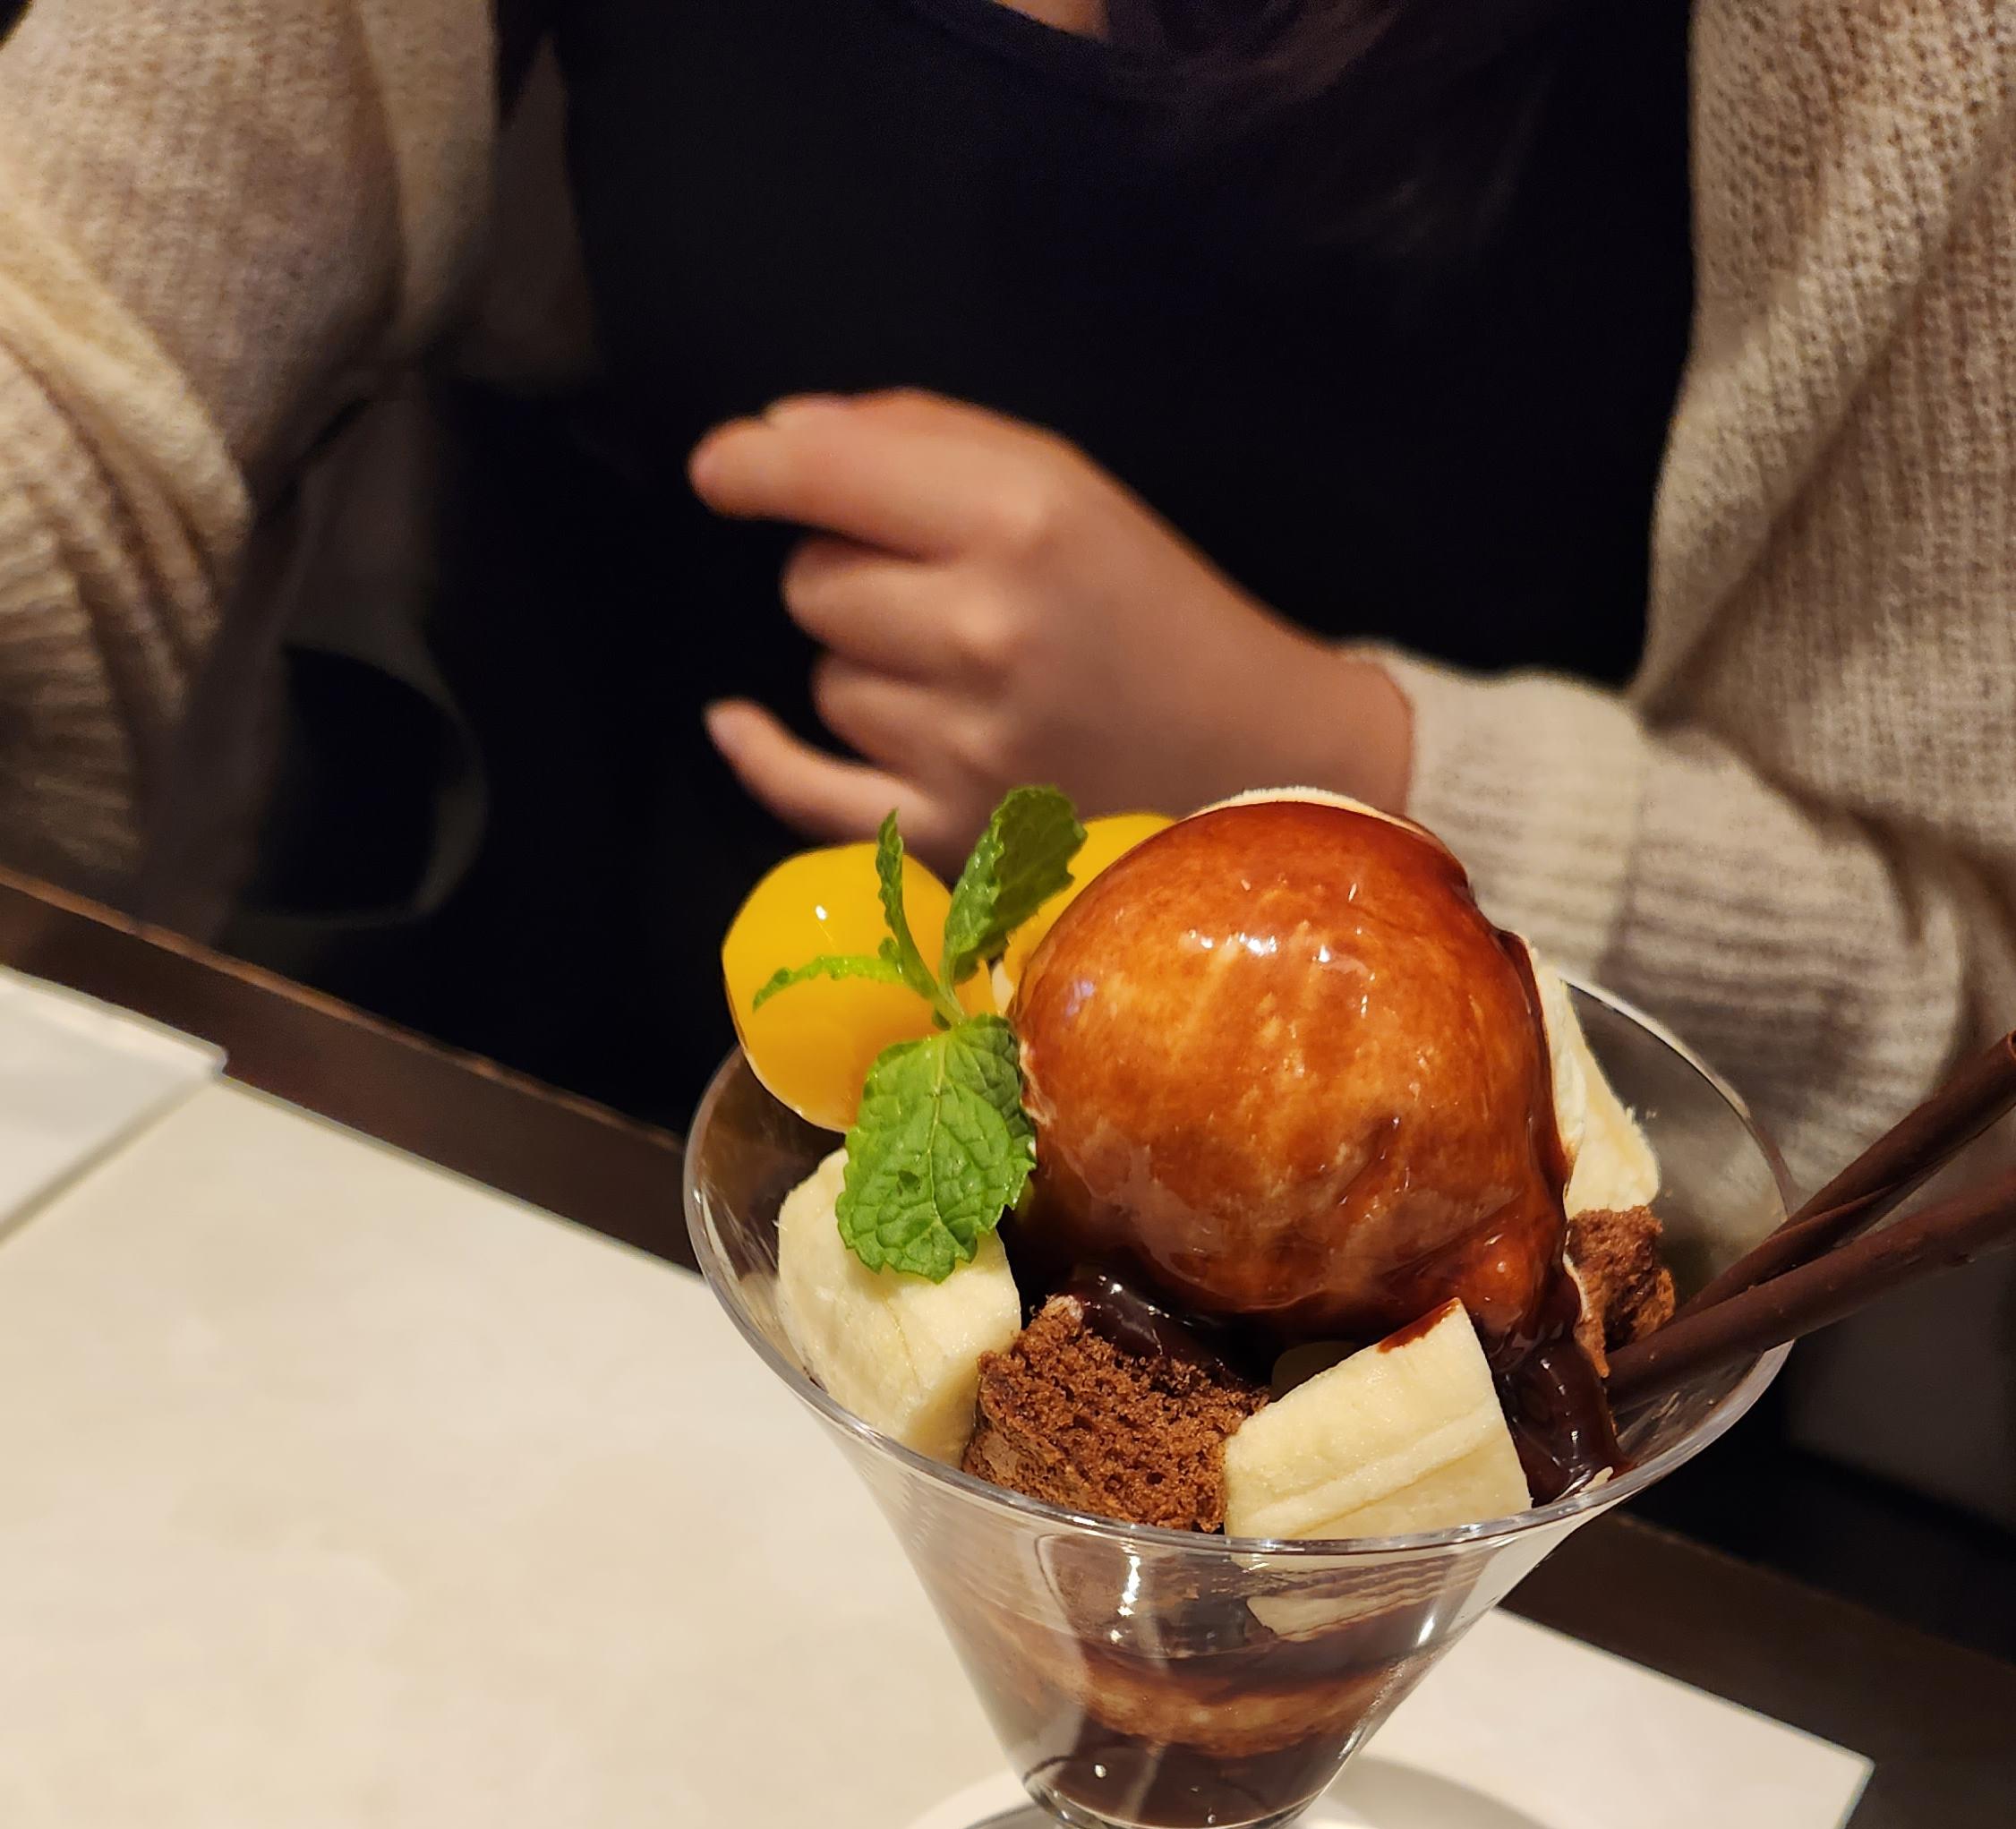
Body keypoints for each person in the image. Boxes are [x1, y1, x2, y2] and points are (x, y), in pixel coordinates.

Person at [0, 0, 2010, 1180]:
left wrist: (1313, 775)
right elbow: (74, 383)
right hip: (573, 1170)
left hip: (1420, 1427)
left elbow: (1962, 1007)